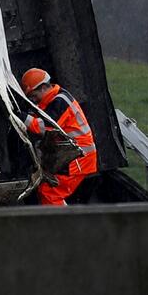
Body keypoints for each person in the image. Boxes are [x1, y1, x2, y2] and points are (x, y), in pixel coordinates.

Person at [21, 68, 98, 205]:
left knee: (49, 193)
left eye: (34, 96)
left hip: (77, 158)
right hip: (74, 156)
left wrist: (21, 117)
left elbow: (42, 127)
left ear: (44, 88)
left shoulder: (60, 102)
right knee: (47, 191)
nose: (33, 100)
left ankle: (61, 225)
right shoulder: (57, 99)